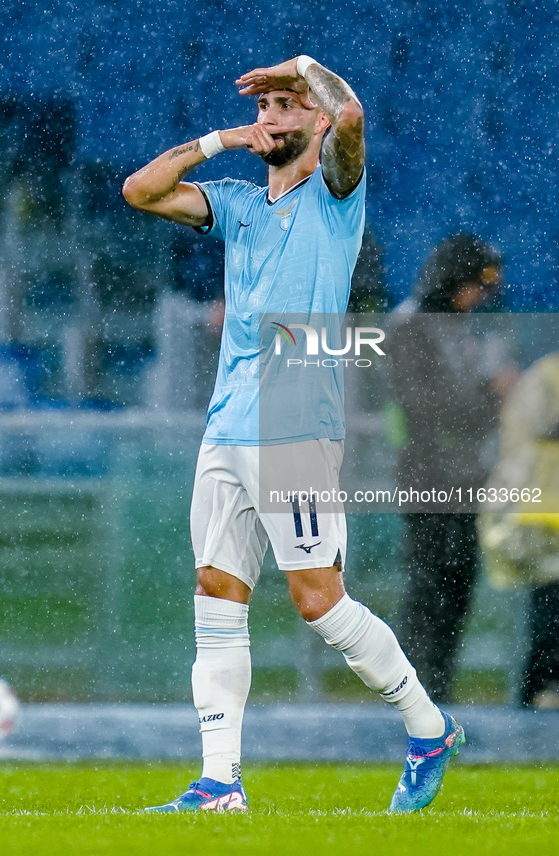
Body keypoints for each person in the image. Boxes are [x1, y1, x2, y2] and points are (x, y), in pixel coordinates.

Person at [122, 55, 464, 814]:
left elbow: (351, 118)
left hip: (293, 426)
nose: (273, 116)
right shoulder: (237, 202)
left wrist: (310, 70)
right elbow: (139, 191)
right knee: (215, 592)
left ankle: (426, 726)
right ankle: (219, 783)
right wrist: (219, 139)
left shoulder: (335, 196)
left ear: (312, 121)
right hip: (226, 422)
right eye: (267, 105)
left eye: (288, 106)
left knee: (318, 602)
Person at [387, 235, 514, 703]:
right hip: (427, 475)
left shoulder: (455, 326)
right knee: (429, 583)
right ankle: (415, 693)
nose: (479, 296)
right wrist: (491, 397)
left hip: (464, 477)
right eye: (474, 284)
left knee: (458, 580)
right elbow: (427, 408)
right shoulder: (409, 326)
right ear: (451, 279)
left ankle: (437, 689)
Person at [479, 350, 559, 709]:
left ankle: (539, 687)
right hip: (544, 515)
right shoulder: (546, 375)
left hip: (544, 510)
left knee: (548, 607)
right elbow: (535, 428)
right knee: (548, 607)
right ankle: (538, 688)